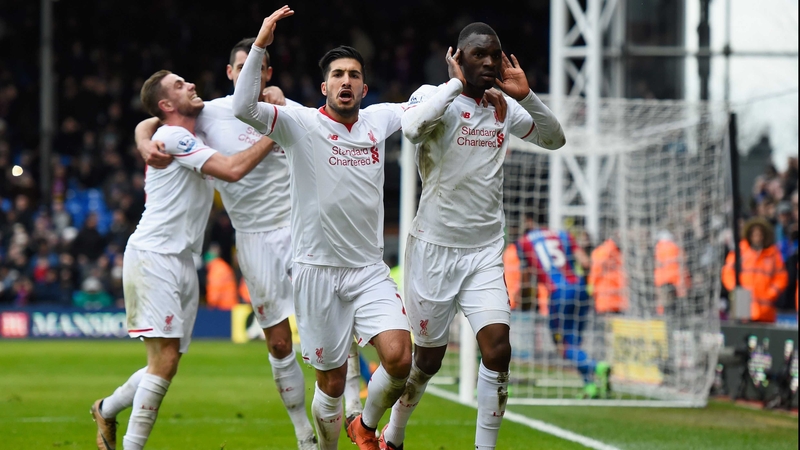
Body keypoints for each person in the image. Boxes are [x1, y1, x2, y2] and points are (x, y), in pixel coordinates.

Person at [136, 35, 370, 448]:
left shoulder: (289, 111)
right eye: (240, 67)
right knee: (279, 343)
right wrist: (142, 138)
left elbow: (336, 128)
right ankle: (303, 434)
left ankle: (352, 407)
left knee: (332, 322)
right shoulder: (211, 113)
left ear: (267, 73)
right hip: (254, 239)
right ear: (230, 74)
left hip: (302, 232)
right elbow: (157, 118)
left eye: (256, 67)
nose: (248, 73)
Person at [232, 7, 413, 450]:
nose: (346, 80)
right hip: (316, 272)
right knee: (331, 384)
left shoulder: (378, 120)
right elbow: (242, 106)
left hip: (369, 270)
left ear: (364, 88)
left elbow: (421, 105)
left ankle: (366, 427)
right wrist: (260, 44)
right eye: (337, 74)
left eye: (353, 74)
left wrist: (460, 81)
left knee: (399, 358)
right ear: (324, 86)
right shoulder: (300, 124)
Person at [381, 23, 566, 450]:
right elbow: (411, 130)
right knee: (426, 360)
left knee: (498, 350)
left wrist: (526, 97)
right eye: (479, 54)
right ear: (458, 57)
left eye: (495, 55)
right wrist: (452, 85)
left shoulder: (502, 105)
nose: (488, 62)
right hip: (434, 248)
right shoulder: (433, 95)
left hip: (484, 251)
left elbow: (555, 139)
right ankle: (394, 432)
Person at [90, 69, 274, 450]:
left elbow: (147, 121)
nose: (190, 84)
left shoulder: (191, 129)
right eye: (179, 85)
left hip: (182, 260)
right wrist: (277, 134)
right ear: (167, 105)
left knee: (167, 362)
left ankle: (107, 408)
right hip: (155, 254)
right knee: (165, 363)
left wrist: (141, 136)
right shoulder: (172, 136)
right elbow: (232, 170)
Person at [516, 216, 611, 400]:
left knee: (562, 345)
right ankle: (590, 387)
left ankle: (598, 367)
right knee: (575, 342)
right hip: (581, 290)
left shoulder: (524, 243)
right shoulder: (563, 235)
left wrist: (526, 297)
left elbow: (526, 278)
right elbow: (585, 263)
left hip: (559, 294)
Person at [721, 217, 788, 323]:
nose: (757, 237)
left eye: (760, 234)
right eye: (755, 234)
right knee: (740, 332)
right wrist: (736, 288)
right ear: (750, 235)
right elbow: (727, 272)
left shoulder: (773, 254)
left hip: (765, 305)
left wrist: (772, 292)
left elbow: (781, 277)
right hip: (742, 299)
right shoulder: (740, 251)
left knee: (763, 335)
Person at [589, 233, 627, 315]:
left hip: (609, 299)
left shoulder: (605, 251)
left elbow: (595, 273)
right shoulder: (609, 252)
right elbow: (596, 272)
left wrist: (591, 290)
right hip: (613, 299)